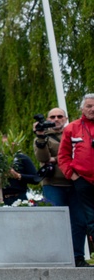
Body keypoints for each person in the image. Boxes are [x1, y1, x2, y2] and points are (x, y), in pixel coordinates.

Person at [35, 107, 88, 266]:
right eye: (52, 116)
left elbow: (80, 156)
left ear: (65, 118)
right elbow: (43, 158)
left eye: (59, 116)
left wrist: (54, 159)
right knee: (55, 222)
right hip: (53, 184)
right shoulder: (43, 136)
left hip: (76, 182)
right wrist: (40, 137)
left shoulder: (75, 133)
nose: (56, 119)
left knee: (79, 221)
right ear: (47, 119)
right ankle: (57, 258)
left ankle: (78, 256)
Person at [59, 93, 94, 267]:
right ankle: (78, 257)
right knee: (88, 220)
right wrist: (73, 176)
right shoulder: (71, 128)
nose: (92, 109)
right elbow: (63, 156)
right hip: (83, 182)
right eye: (89, 106)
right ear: (82, 108)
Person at [2, 135, 40, 205]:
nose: (5, 147)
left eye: (7, 145)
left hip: (19, 198)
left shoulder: (23, 158)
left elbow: (36, 178)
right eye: (2, 145)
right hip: (1, 199)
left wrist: (18, 176)